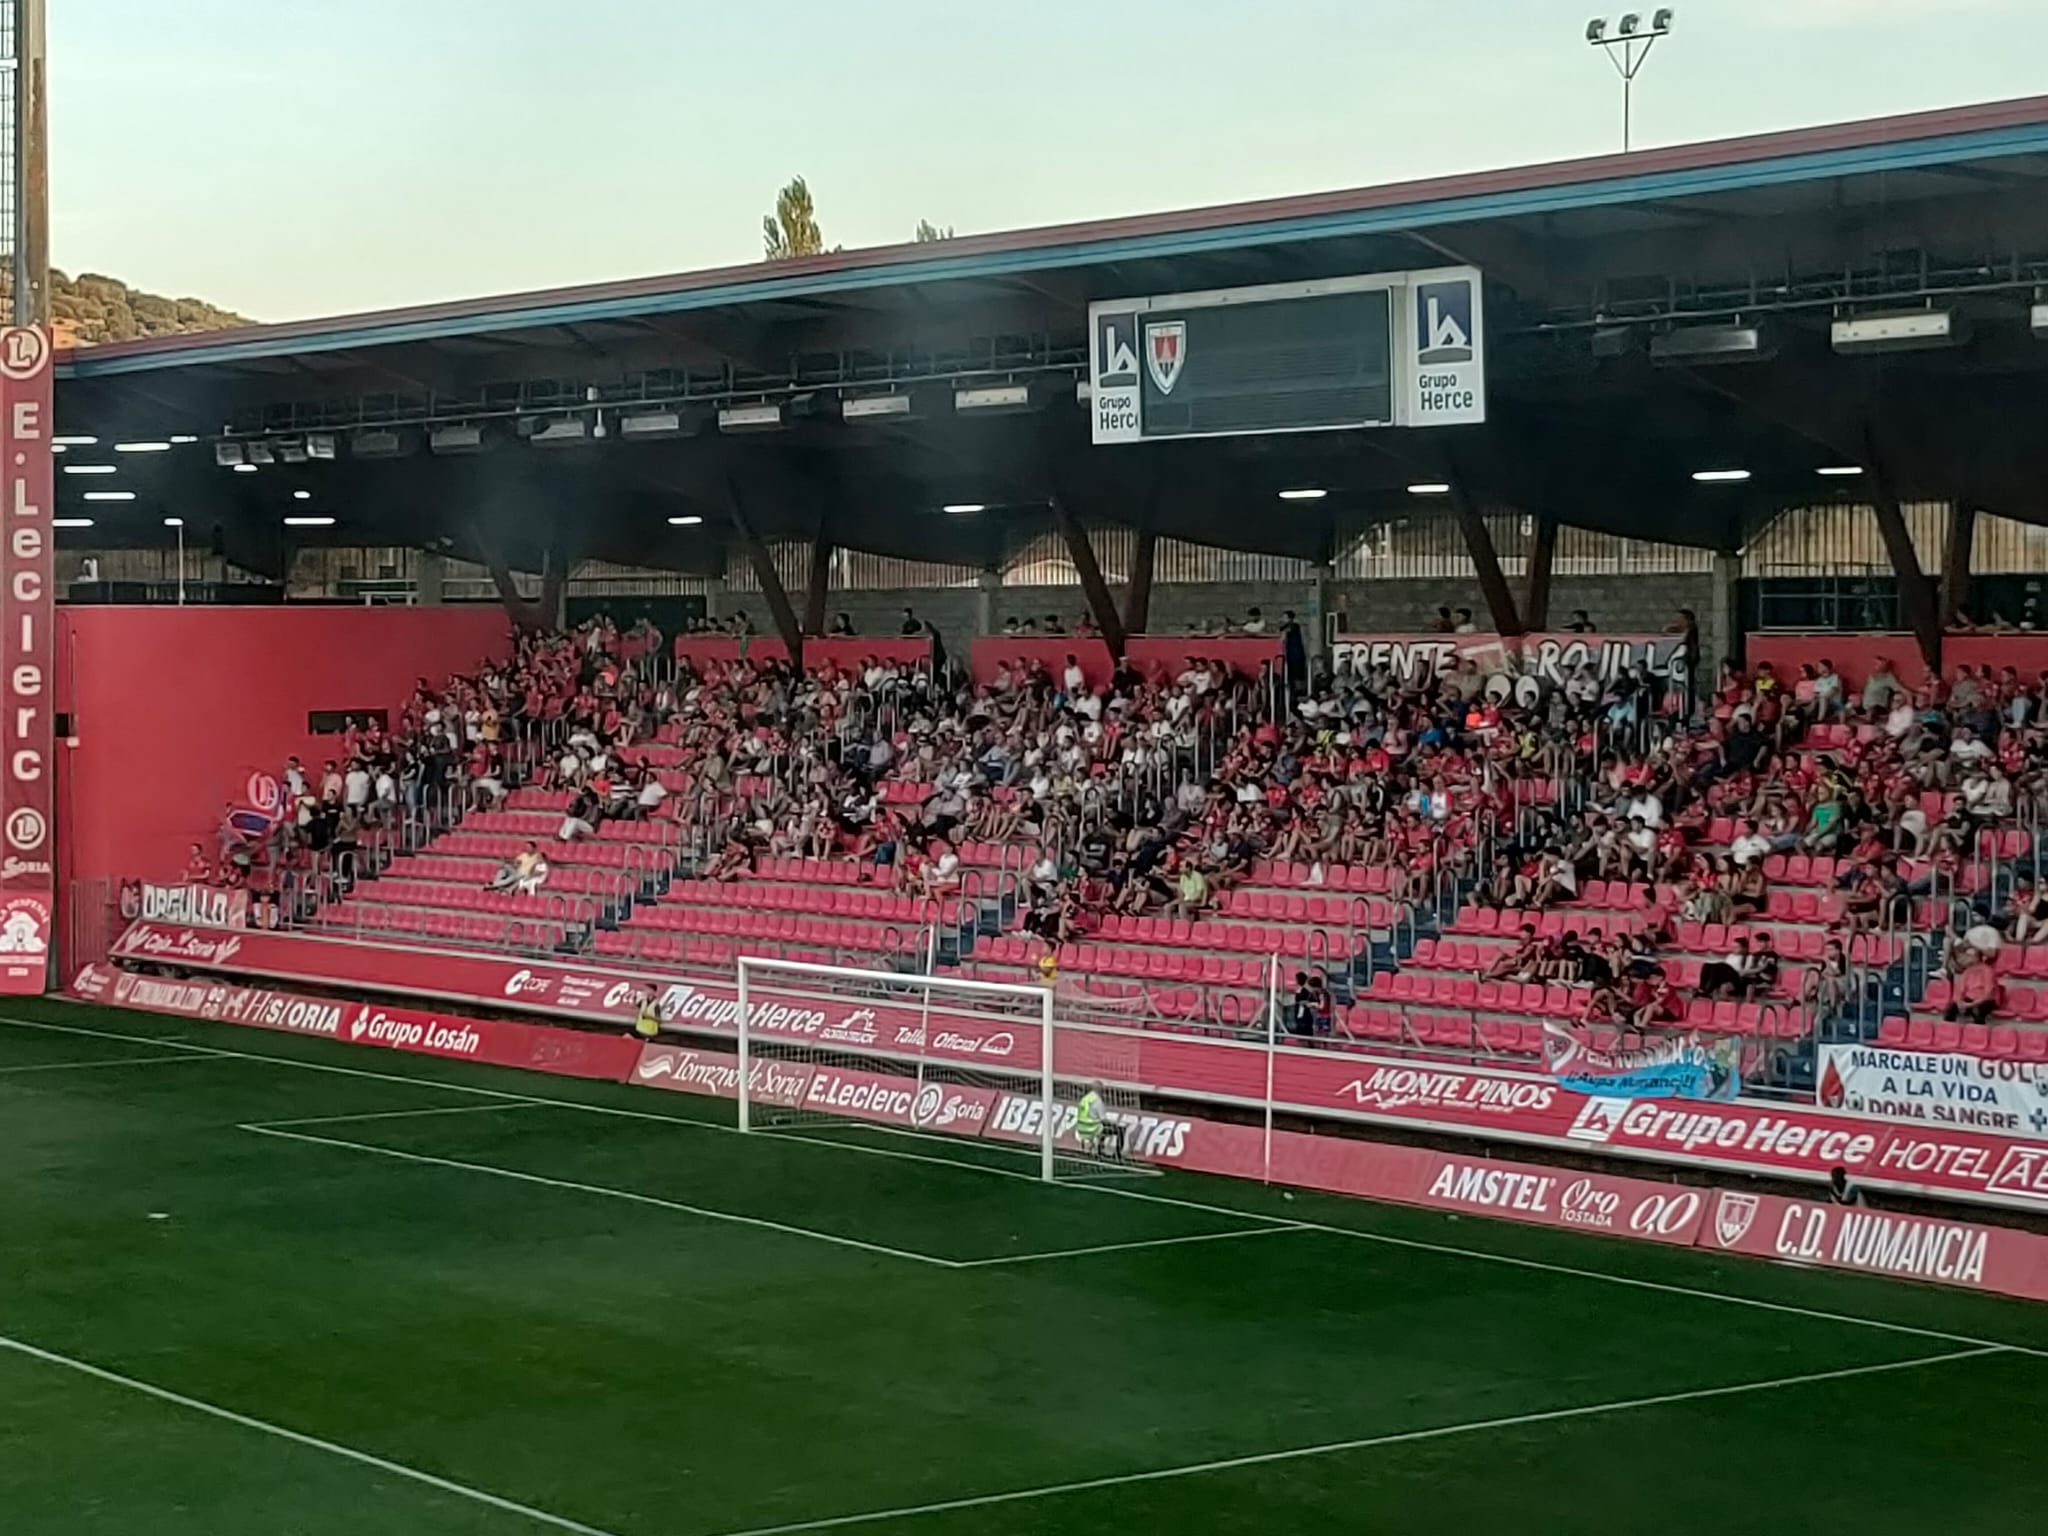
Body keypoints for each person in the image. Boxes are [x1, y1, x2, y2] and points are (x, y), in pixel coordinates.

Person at [1074, 1082, 1126, 1160]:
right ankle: (1117, 1155)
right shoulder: (1097, 1100)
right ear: (1099, 1089)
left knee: (1103, 1127)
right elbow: (1103, 1119)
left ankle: (1099, 1149)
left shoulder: (1084, 1099)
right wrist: (1114, 1123)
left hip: (1081, 1128)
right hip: (1092, 1128)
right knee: (1120, 1130)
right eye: (1102, 1089)